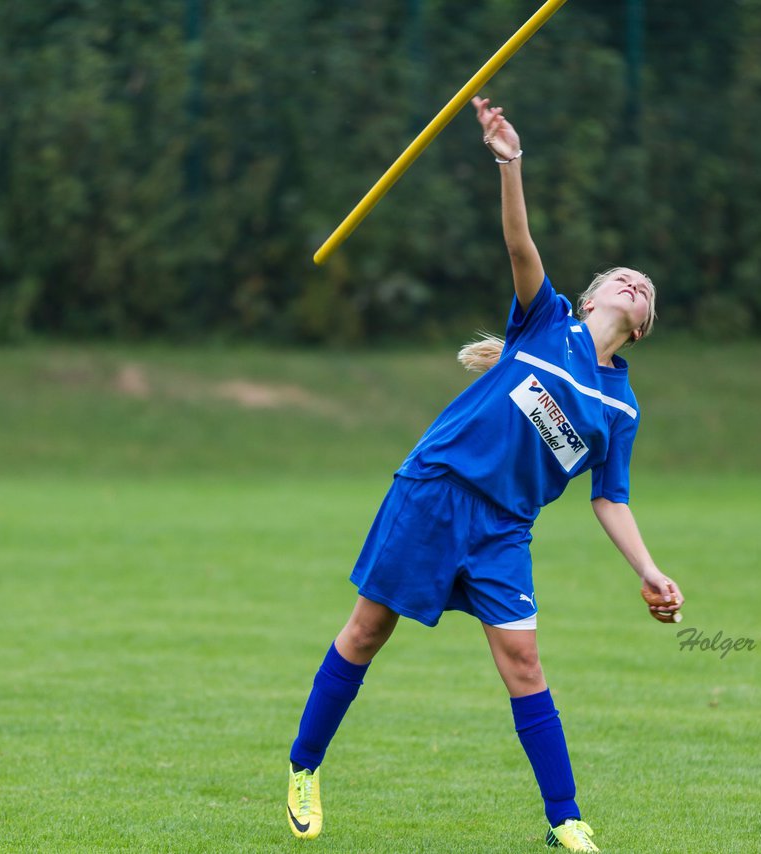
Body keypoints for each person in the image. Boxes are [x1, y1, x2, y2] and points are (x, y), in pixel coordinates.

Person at [285, 95, 684, 852]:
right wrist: (510, 161)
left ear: (644, 325)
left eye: (646, 289)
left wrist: (650, 570)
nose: (635, 283)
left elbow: (611, 500)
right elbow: (519, 244)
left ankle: (565, 820)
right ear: (595, 297)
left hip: (504, 529)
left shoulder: (621, 407)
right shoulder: (548, 320)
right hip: (436, 492)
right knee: (369, 631)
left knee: (525, 663)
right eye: (623, 277)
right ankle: (304, 766)